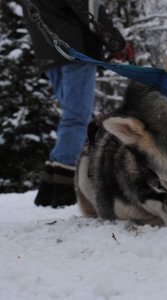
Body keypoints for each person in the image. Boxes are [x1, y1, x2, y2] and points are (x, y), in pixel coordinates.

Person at [21, 0, 127, 208]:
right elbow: (89, 8)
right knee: (76, 118)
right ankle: (64, 184)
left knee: (72, 117)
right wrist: (117, 43)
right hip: (74, 50)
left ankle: (49, 187)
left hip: (49, 54)